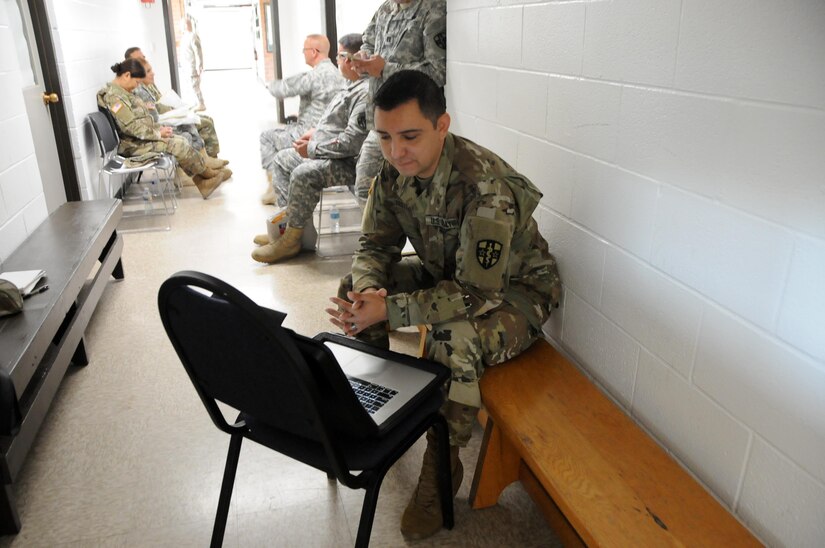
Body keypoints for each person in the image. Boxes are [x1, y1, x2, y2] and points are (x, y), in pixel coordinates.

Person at [325, 71, 561, 540]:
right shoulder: (394, 171)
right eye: (385, 137)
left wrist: (390, 310)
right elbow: (374, 245)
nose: (396, 152)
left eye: (410, 136)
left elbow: (475, 294)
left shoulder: (485, 189)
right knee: (356, 282)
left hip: (515, 294)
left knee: (452, 339)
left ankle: (440, 471)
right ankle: (383, 406)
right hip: (447, 274)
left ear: (442, 125)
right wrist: (371, 294)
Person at [252, 33, 369, 264]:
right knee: (283, 160)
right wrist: (315, 132)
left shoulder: (364, 92)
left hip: (347, 162)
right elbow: (336, 123)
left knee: (304, 173)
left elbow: (352, 142)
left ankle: (292, 240)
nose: (337, 61)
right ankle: (289, 231)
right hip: (327, 150)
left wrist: (313, 149)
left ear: (352, 59)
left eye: (340, 55)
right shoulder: (349, 85)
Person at [350, 0, 446, 200]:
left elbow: (438, 71)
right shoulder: (386, 8)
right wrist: (363, 59)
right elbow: (368, 42)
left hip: (413, 125)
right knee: (365, 187)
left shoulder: (433, 8)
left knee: (414, 196)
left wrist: (386, 69)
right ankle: (378, 231)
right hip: (381, 120)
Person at [97, 59, 228, 199]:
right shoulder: (114, 97)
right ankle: (206, 175)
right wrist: (158, 134)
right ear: (127, 75)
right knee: (178, 144)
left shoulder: (124, 93)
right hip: (133, 145)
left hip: (142, 139)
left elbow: (138, 120)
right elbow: (131, 127)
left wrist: (158, 128)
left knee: (180, 139)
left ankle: (203, 181)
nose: (136, 87)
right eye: (136, 83)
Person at [259, 34, 343, 199]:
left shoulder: (313, 76)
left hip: (307, 135)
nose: (303, 53)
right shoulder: (338, 75)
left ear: (313, 52)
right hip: (330, 135)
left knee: (266, 137)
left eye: (304, 50)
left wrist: (269, 85)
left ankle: (275, 190)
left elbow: (283, 90)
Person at [125, 47, 225, 161]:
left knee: (206, 119)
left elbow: (160, 102)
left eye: (143, 57)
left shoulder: (147, 83)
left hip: (170, 116)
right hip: (163, 122)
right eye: (138, 59)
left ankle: (209, 158)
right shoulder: (137, 88)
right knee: (199, 125)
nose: (142, 60)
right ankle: (205, 162)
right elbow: (153, 116)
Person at [180, 16, 206, 111]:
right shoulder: (184, 37)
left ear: (185, 25)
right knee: (190, 87)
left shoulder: (193, 36)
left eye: (181, 25)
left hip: (192, 67)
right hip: (186, 67)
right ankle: (195, 103)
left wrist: (200, 65)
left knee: (195, 86)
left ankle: (201, 103)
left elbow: (198, 52)